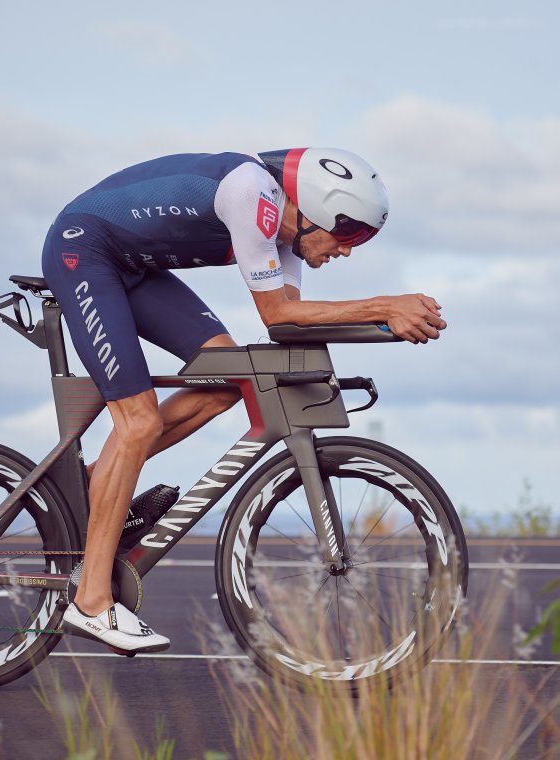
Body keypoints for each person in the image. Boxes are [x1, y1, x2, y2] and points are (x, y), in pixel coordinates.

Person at [41, 147, 446, 653]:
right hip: (85, 252)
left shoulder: (289, 236)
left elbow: (295, 320)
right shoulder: (252, 192)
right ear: (314, 211)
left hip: (132, 268)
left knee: (227, 381)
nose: (348, 250)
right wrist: (385, 303)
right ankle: (91, 601)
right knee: (138, 422)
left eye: (361, 239)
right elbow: (276, 315)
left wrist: (384, 324)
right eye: (349, 234)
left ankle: (96, 482)